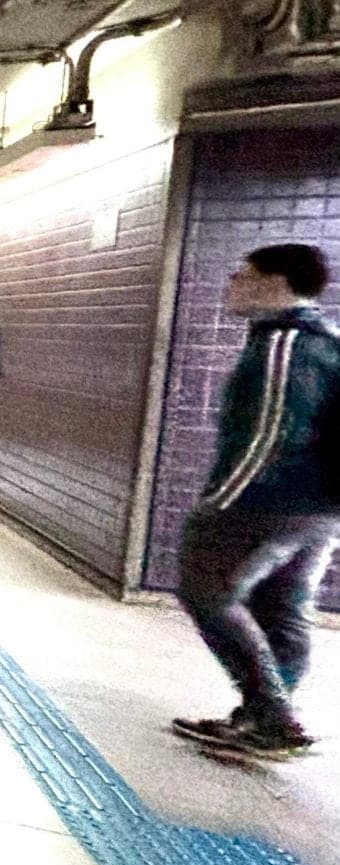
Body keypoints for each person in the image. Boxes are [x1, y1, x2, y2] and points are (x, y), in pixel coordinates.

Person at [171, 244, 340, 761]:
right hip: (318, 507)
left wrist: (221, 500)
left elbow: (270, 435)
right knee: (281, 607)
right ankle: (263, 717)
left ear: (276, 283)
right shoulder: (323, 341)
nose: (230, 285)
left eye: (240, 276)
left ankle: (272, 715)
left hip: (270, 503)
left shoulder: (285, 344)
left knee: (207, 591)